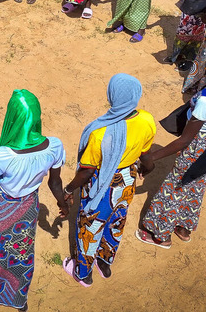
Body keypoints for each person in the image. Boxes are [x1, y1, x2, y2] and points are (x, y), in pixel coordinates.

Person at [135, 46, 206, 247]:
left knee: (175, 185)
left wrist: (152, 156)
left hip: (197, 143)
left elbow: (184, 141)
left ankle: (160, 234)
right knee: (196, 182)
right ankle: (184, 226)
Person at [0, 90, 68, 311]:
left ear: (11, 118)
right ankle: (18, 299)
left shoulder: (2, 156)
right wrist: (63, 204)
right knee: (22, 253)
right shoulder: (53, 146)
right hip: (28, 208)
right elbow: (55, 183)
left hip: (1, 208)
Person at [61, 74, 154, 284]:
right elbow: (147, 158)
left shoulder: (100, 133)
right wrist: (145, 170)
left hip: (102, 184)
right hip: (127, 180)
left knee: (90, 226)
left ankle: (83, 274)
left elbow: (86, 172)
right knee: (116, 220)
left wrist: (68, 190)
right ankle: (105, 262)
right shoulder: (146, 120)